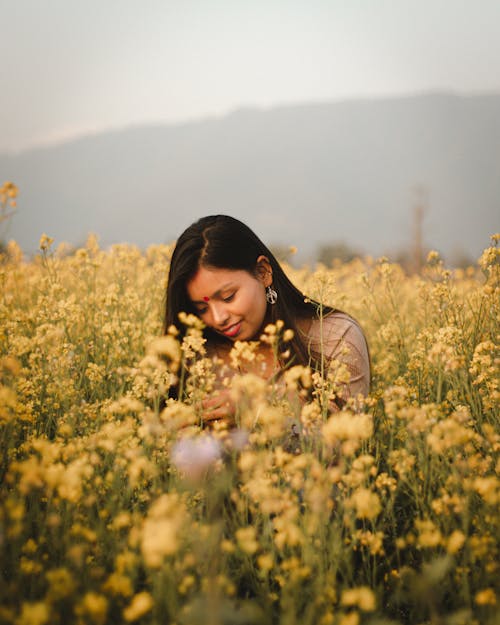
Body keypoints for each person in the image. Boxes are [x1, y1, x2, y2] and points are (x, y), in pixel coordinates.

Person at [164, 215, 370, 427]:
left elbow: (345, 443)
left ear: (263, 273)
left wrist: (256, 417)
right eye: (202, 308)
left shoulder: (336, 337)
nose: (218, 318)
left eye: (228, 297)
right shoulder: (200, 356)